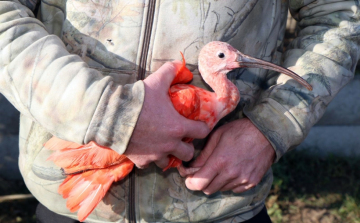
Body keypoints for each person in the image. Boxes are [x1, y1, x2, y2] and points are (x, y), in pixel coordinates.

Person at [0, 0, 358, 222]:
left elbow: (339, 16)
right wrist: (109, 114)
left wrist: (271, 126)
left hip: (219, 206)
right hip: (74, 203)